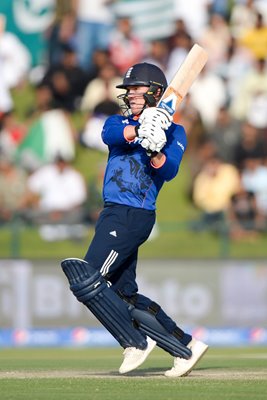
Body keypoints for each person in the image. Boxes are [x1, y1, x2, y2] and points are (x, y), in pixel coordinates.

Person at [61, 62, 208, 377]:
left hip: (134, 212)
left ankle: (134, 342)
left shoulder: (174, 131)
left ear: (155, 92)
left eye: (135, 90)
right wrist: (141, 130)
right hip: (112, 211)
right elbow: (110, 134)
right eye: (127, 90)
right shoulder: (119, 121)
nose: (129, 95)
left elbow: (169, 171)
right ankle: (185, 346)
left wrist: (156, 151)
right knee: (122, 293)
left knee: (88, 279)